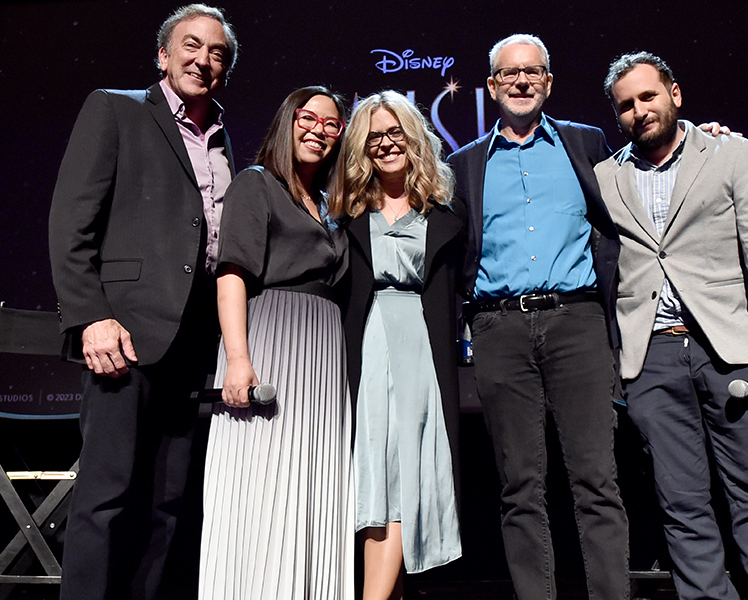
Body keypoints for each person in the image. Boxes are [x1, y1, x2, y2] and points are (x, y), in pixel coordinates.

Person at [596, 51, 748, 600]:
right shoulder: (604, 177)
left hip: (731, 351)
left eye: (648, 96)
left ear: (675, 94)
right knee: (682, 505)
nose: (639, 111)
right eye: (626, 106)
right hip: (652, 359)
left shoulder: (729, 151)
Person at [47, 5, 237, 599]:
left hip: (192, 344)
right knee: (105, 497)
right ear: (163, 53)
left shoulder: (226, 139)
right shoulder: (116, 107)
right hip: (123, 335)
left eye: (216, 53)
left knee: (169, 502)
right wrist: (89, 317)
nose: (202, 60)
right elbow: (69, 222)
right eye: (191, 45)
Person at [445, 34, 630, 600]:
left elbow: (648, 172)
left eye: (533, 72)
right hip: (498, 327)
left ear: (548, 82)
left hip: (578, 321)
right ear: (493, 85)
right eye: (509, 73)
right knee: (519, 485)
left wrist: (707, 134)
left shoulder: (588, 144)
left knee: (596, 479)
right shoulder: (463, 164)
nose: (521, 81)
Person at [199, 86, 353, 600]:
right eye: (309, 118)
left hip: (324, 352)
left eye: (333, 125)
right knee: (266, 486)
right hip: (274, 338)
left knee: (313, 485)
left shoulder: (331, 206)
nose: (320, 130)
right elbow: (232, 274)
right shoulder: (257, 183)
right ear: (287, 122)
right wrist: (238, 361)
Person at [330, 91, 465, 600]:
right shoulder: (343, 212)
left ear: (414, 139)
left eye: (394, 133)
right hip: (365, 342)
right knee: (375, 474)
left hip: (419, 348)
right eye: (374, 137)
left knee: (409, 468)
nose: (385, 144)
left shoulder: (446, 215)